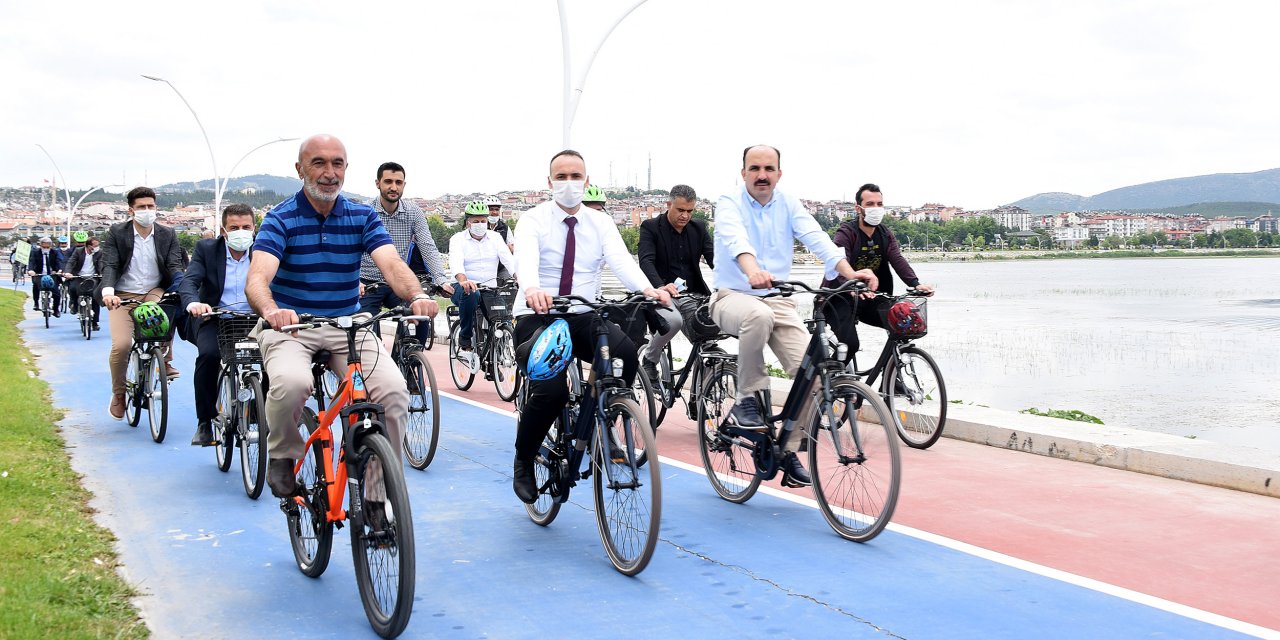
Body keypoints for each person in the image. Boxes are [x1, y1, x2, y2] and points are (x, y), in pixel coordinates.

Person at [246, 134, 438, 503]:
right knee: (291, 384)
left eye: (338, 164)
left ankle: (378, 495)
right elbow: (258, 278)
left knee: (394, 393)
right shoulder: (280, 218)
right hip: (291, 327)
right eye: (318, 163)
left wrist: (416, 294)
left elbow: (392, 263)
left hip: (347, 325)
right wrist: (271, 310)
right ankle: (283, 455)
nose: (329, 173)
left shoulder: (361, 216)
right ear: (300, 169)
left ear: (347, 170)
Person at [710, 145, 879, 487]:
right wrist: (752, 268)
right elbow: (734, 239)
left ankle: (785, 450)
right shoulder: (728, 203)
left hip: (779, 301)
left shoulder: (788, 204)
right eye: (755, 168)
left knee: (815, 376)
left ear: (779, 174)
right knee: (756, 314)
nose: (762, 175)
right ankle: (747, 399)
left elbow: (818, 239)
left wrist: (849, 273)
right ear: (743, 173)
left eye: (769, 168)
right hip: (733, 296)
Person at [509, 149, 670, 503]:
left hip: (583, 312)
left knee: (626, 353)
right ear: (549, 182)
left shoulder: (600, 223)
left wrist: (646, 290)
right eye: (561, 177)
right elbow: (527, 261)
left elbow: (619, 260)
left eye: (576, 176)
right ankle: (523, 460)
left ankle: (604, 416)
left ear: (587, 181)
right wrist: (533, 288)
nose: (569, 183)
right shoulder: (533, 220)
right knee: (551, 392)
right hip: (539, 314)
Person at [101, 187, 187, 420]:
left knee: (165, 312)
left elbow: (174, 265)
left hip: (153, 290)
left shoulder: (167, 234)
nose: (147, 211)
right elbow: (109, 264)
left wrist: (181, 287)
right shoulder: (117, 232)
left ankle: (165, 359)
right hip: (122, 295)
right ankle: (119, 394)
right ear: (131, 210)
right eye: (141, 207)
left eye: (151, 206)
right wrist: (109, 291)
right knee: (121, 346)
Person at [179, 204, 257, 447]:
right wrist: (194, 303)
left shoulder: (263, 251)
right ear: (224, 230)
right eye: (234, 227)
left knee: (274, 358)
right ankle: (204, 421)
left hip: (254, 320)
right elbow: (189, 281)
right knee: (209, 356)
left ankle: (260, 411)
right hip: (215, 318)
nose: (240, 232)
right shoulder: (206, 249)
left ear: (254, 228)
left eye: (246, 227)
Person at [821, 183, 935, 346]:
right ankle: (827, 371)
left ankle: (893, 366)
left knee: (905, 324)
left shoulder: (885, 234)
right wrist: (851, 285)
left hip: (871, 296)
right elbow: (837, 262)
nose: (876, 208)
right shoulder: (846, 233)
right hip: (839, 298)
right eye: (870, 204)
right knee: (850, 345)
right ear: (858, 208)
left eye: (879, 204)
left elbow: (897, 259)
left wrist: (915, 284)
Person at [359, 161, 451, 343]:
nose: (393, 187)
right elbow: (350, 249)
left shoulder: (413, 212)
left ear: (404, 185)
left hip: (397, 281)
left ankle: (411, 358)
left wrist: (441, 279)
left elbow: (427, 246)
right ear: (378, 183)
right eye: (388, 182)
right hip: (367, 282)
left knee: (421, 314)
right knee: (365, 330)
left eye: (398, 182)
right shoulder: (364, 211)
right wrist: (354, 280)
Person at [636, 184, 715, 384]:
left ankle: (704, 389)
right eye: (680, 210)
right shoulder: (650, 227)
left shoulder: (699, 228)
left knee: (710, 331)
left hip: (693, 294)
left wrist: (732, 283)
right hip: (660, 293)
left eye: (690, 211)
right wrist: (660, 286)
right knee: (674, 321)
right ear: (668, 204)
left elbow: (715, 259)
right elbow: (646, 261)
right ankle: (649, 358)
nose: (685, 216)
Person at [447, 200, 516, 354]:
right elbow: (456, 262)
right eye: (476, 221)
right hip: (463, 287)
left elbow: (508, 260)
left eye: (483, 221)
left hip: (489, 288)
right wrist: (463, 280)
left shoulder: (496, 238)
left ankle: (497, 354)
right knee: (471, 293)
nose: (480, 224)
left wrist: (519, 277)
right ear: (467, 223)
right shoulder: (458, 239)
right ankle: (465, 337)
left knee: (503, 317)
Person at [62, 232, 103, 330]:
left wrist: (102, 273)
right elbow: (71, 262)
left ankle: (95, 322)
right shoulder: (78, 251)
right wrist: (68, 272)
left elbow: (102, 264)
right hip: (79, 276)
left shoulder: (99, 253)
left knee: (95, 297)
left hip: (93, 277)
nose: (97, 247)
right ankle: (74, 305)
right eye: (95, 246)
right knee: (72, 288)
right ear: (89, 246)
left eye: (98, 245)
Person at [26, 236, 64, 315]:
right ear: (40, 246)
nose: (46, 248)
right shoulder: (35, 252)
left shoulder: (55, 252)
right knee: (36, 285)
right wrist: (31, 270)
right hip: (39, 274)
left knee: (56, 292)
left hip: (52, 274)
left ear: (50, 246)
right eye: (44, 247)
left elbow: (59, 262)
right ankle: (36, 303)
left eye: (48, 247)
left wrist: (59, 270)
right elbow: (31, 261)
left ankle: (56, 309)